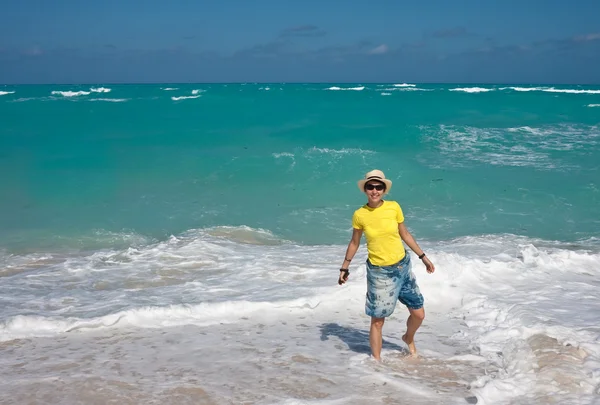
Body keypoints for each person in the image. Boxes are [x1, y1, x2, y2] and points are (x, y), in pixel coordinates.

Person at [338, 169, 435, 360]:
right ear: (365, 189)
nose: (374, 191)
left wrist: (423, 257)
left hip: (403, 266)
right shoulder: (360, 214)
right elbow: (355, 242)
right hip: (379, 273)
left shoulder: (394, 207)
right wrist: (344, 267)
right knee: (377, 321)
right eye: (370, 187)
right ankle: (376, 364)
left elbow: (404, 234)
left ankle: (408, 337)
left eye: (378, 187)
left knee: (419, 314)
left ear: (384, 190)